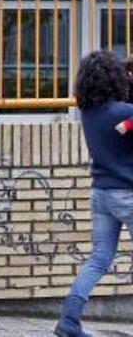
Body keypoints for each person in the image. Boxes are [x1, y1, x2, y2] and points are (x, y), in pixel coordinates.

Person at [55, 51, 133, 337]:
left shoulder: (89, 113)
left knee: (99, 259)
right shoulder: (124, 113)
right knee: (100, 258)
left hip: (101, 194)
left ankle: (68, 320)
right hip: (128, 194)